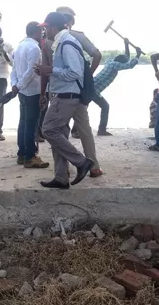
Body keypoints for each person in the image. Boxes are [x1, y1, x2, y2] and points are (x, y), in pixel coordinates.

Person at [36, 12, 94, 189]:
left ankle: (82, 162)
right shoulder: (61, 42)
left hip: (67, 96)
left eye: (46, 28)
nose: (45, 32)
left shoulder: (67, 43)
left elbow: (74, 73)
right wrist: (48, 71)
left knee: (48, 130)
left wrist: (51, 70)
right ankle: (61, 178)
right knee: (58, 136)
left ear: (53, 27)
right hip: (64, 95)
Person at [55, 6, 103, 177]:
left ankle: (64, 169)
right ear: (72, 20)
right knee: (84, 128)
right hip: (79, 92)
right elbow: (97, 55)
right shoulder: (78, 36)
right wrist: (86, 76)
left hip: (60, 92)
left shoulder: (52, 38)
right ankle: (94, 166)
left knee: (59, 131)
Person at [11, 22, 49, 168]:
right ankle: (30, 156)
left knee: (24, 123)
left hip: (22, 91)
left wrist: (15, 85)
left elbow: (14, 70)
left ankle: (22, 154)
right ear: (36, 32)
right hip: (32, 90)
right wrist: (19, 85)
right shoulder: (34, 48)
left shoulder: (20, 46)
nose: (43, 35)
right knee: (31, 125)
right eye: (41, 32)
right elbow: (31, 71)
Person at [88, 39, 142, 135]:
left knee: (83, 107)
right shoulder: (115, 65)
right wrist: (138, 55)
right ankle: (101, 130)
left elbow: (126, 58)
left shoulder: (111, 62)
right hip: (93, 90)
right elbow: (129, 65)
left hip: (92, 87)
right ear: (120, 63)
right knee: (104, 106)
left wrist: (126, 45)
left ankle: (98, 129)